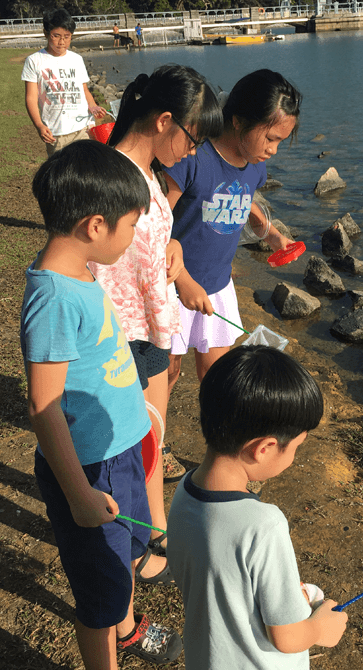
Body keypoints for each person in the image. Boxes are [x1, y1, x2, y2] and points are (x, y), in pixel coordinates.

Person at [20, 140, 182, 668]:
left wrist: (141, 415)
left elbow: (103, 358)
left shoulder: (83, 271)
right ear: (95, 225)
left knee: (126, 560)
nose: (134, 236)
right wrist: (79, 493)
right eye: (131, 226)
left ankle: (128, 627)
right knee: (98, 591)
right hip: (90, 472)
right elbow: (44, 406)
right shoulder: (53, 298)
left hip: (120, 455)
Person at [89, 65, 224, 577]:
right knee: (125, 451)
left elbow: (152, 235)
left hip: (150, 330)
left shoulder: (147, 175)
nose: (194, 152)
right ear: (165, 120)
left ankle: (156, 532)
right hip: (118, 337)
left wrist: (172, 248)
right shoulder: (109, 178)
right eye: (193, 138)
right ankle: (127, 547)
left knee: (151, 439)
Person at [167, 346, 348, 669]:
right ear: (264, 448)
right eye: (296, 447)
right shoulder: (264, 525)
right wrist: (322, 626)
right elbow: (287, 636)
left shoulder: (185, 491)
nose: (294, 457)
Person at [164, 69, 300, 394]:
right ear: (238, 121)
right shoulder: (193, 158)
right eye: (270, 138)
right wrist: (182, 280)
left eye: (280, 141)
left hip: (217, 285)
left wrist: (271, 233)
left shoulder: (254, 165)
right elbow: (151, 222)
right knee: (166, 373)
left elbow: (243, 197)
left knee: (216, 377)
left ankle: (220, 438)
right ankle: (154, 444)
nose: (274, 150)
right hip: (171, 285)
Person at [22, 8, 106, 156]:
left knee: (88, 169)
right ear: (46, 33)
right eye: (56, 36)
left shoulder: (76, 59)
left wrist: (92, 107)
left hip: (83, 128)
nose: (62, 42)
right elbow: (31, 97)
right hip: (56, 132)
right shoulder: (34, 61)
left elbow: (83, 89)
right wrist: (39, 125)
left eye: (67, 37)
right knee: (62, 174)